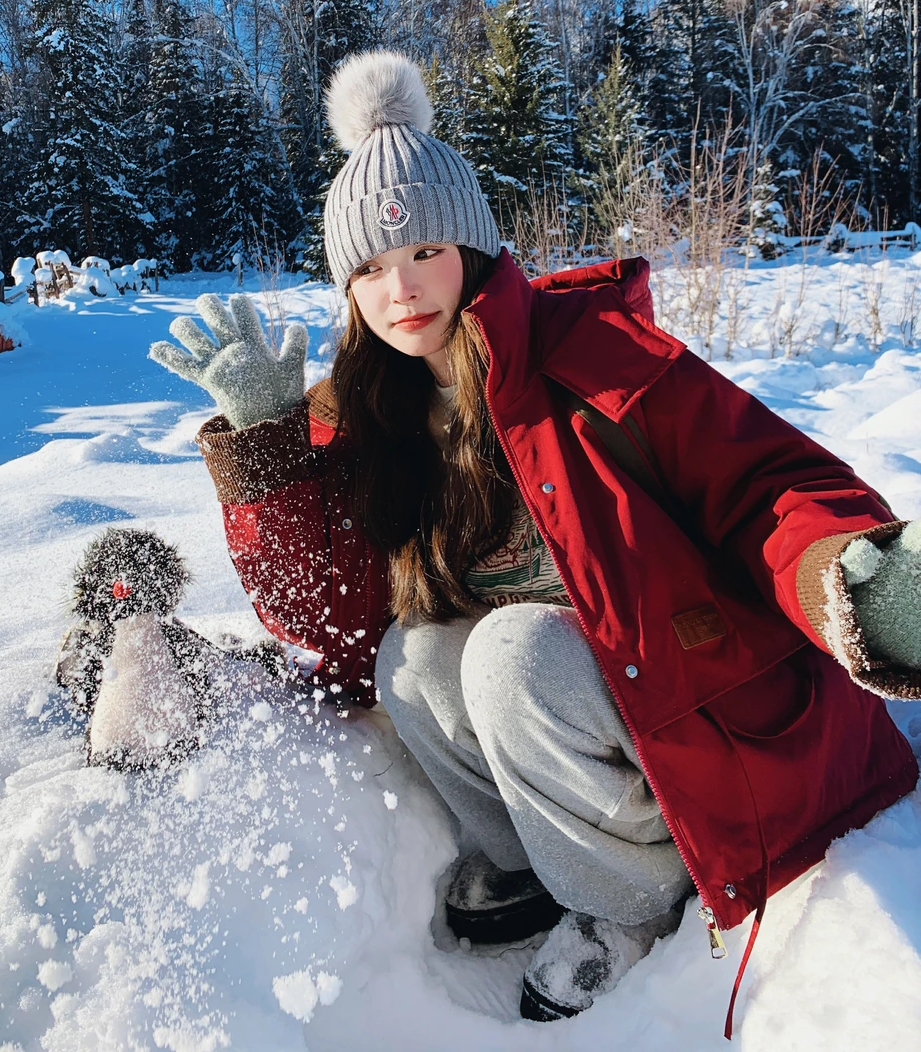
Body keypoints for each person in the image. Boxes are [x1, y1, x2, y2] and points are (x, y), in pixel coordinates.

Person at [148, 51, 921, 1031]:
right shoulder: (371, 408)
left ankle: (629, 899)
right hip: (577, 714)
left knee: (510, 652)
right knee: (411, 654)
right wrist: (271, 455)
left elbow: (760, 485)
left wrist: (848, 577)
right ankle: (532, 861)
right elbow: (332, 621)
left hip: (703, 715)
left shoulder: (587, 351)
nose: (402, 289)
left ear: (469, 247)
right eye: (371, 268)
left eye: (422, 250)